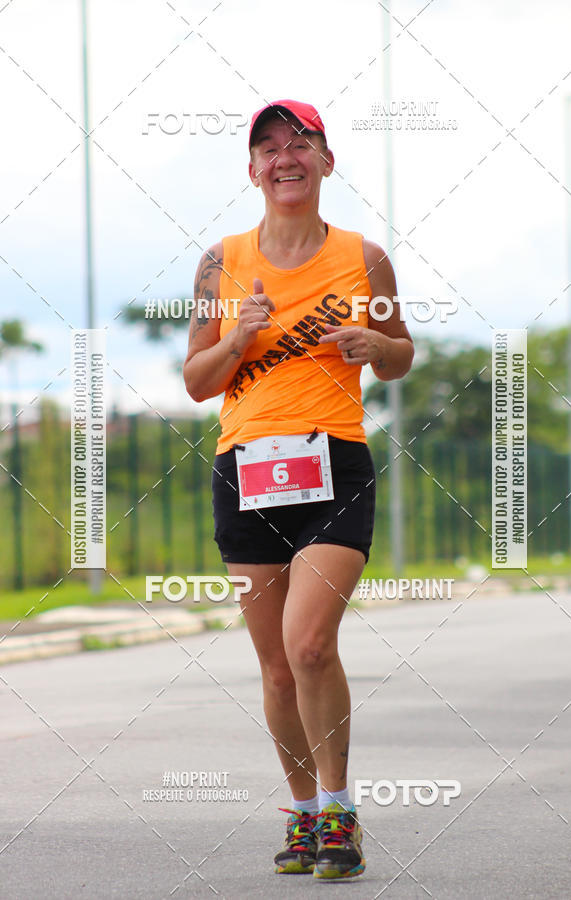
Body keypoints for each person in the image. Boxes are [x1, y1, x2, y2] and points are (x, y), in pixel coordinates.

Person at [183, 99, 414, 880]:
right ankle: (305, 816)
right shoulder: (221, 263)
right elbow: (194, 380)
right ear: (252, 170)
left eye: (301, 142)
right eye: (269, 146)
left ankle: (341, 814)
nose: (285, 155)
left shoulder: (365, 258)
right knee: (276, 669)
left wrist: (378, 341)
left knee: (310, 645)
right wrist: (240, 338)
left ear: (325, 162)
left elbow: (398, 358)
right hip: (245, 470)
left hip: (334, 466)